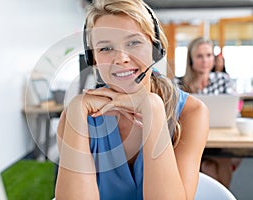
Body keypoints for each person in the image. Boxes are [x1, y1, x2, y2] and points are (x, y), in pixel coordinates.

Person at [55, 1, 208, 199]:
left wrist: (152, 107)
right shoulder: (78, 115)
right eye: (105, 48)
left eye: (133, 43)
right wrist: (76, 108)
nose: (121, 58)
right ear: (92, 58)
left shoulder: (191, 113)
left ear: (156, 48)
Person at [176, 37, 240, 188]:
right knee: (209, 166)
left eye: (209, 55)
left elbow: (232, 112)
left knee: (213, 165)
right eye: (199, 56)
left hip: (219, 140)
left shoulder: (222, 79)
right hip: (188, 139)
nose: (205, 60)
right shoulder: (178, 83)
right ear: (191, 60)